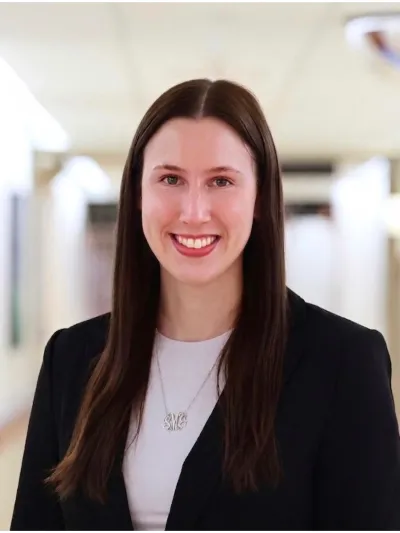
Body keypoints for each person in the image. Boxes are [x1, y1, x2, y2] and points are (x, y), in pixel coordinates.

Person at [11, 79, 400, 531]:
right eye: (170, 179)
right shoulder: (72, 360)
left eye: (221, 181)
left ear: (259, 199)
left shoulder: (342, 362)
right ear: (138, 194)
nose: (194, 211)